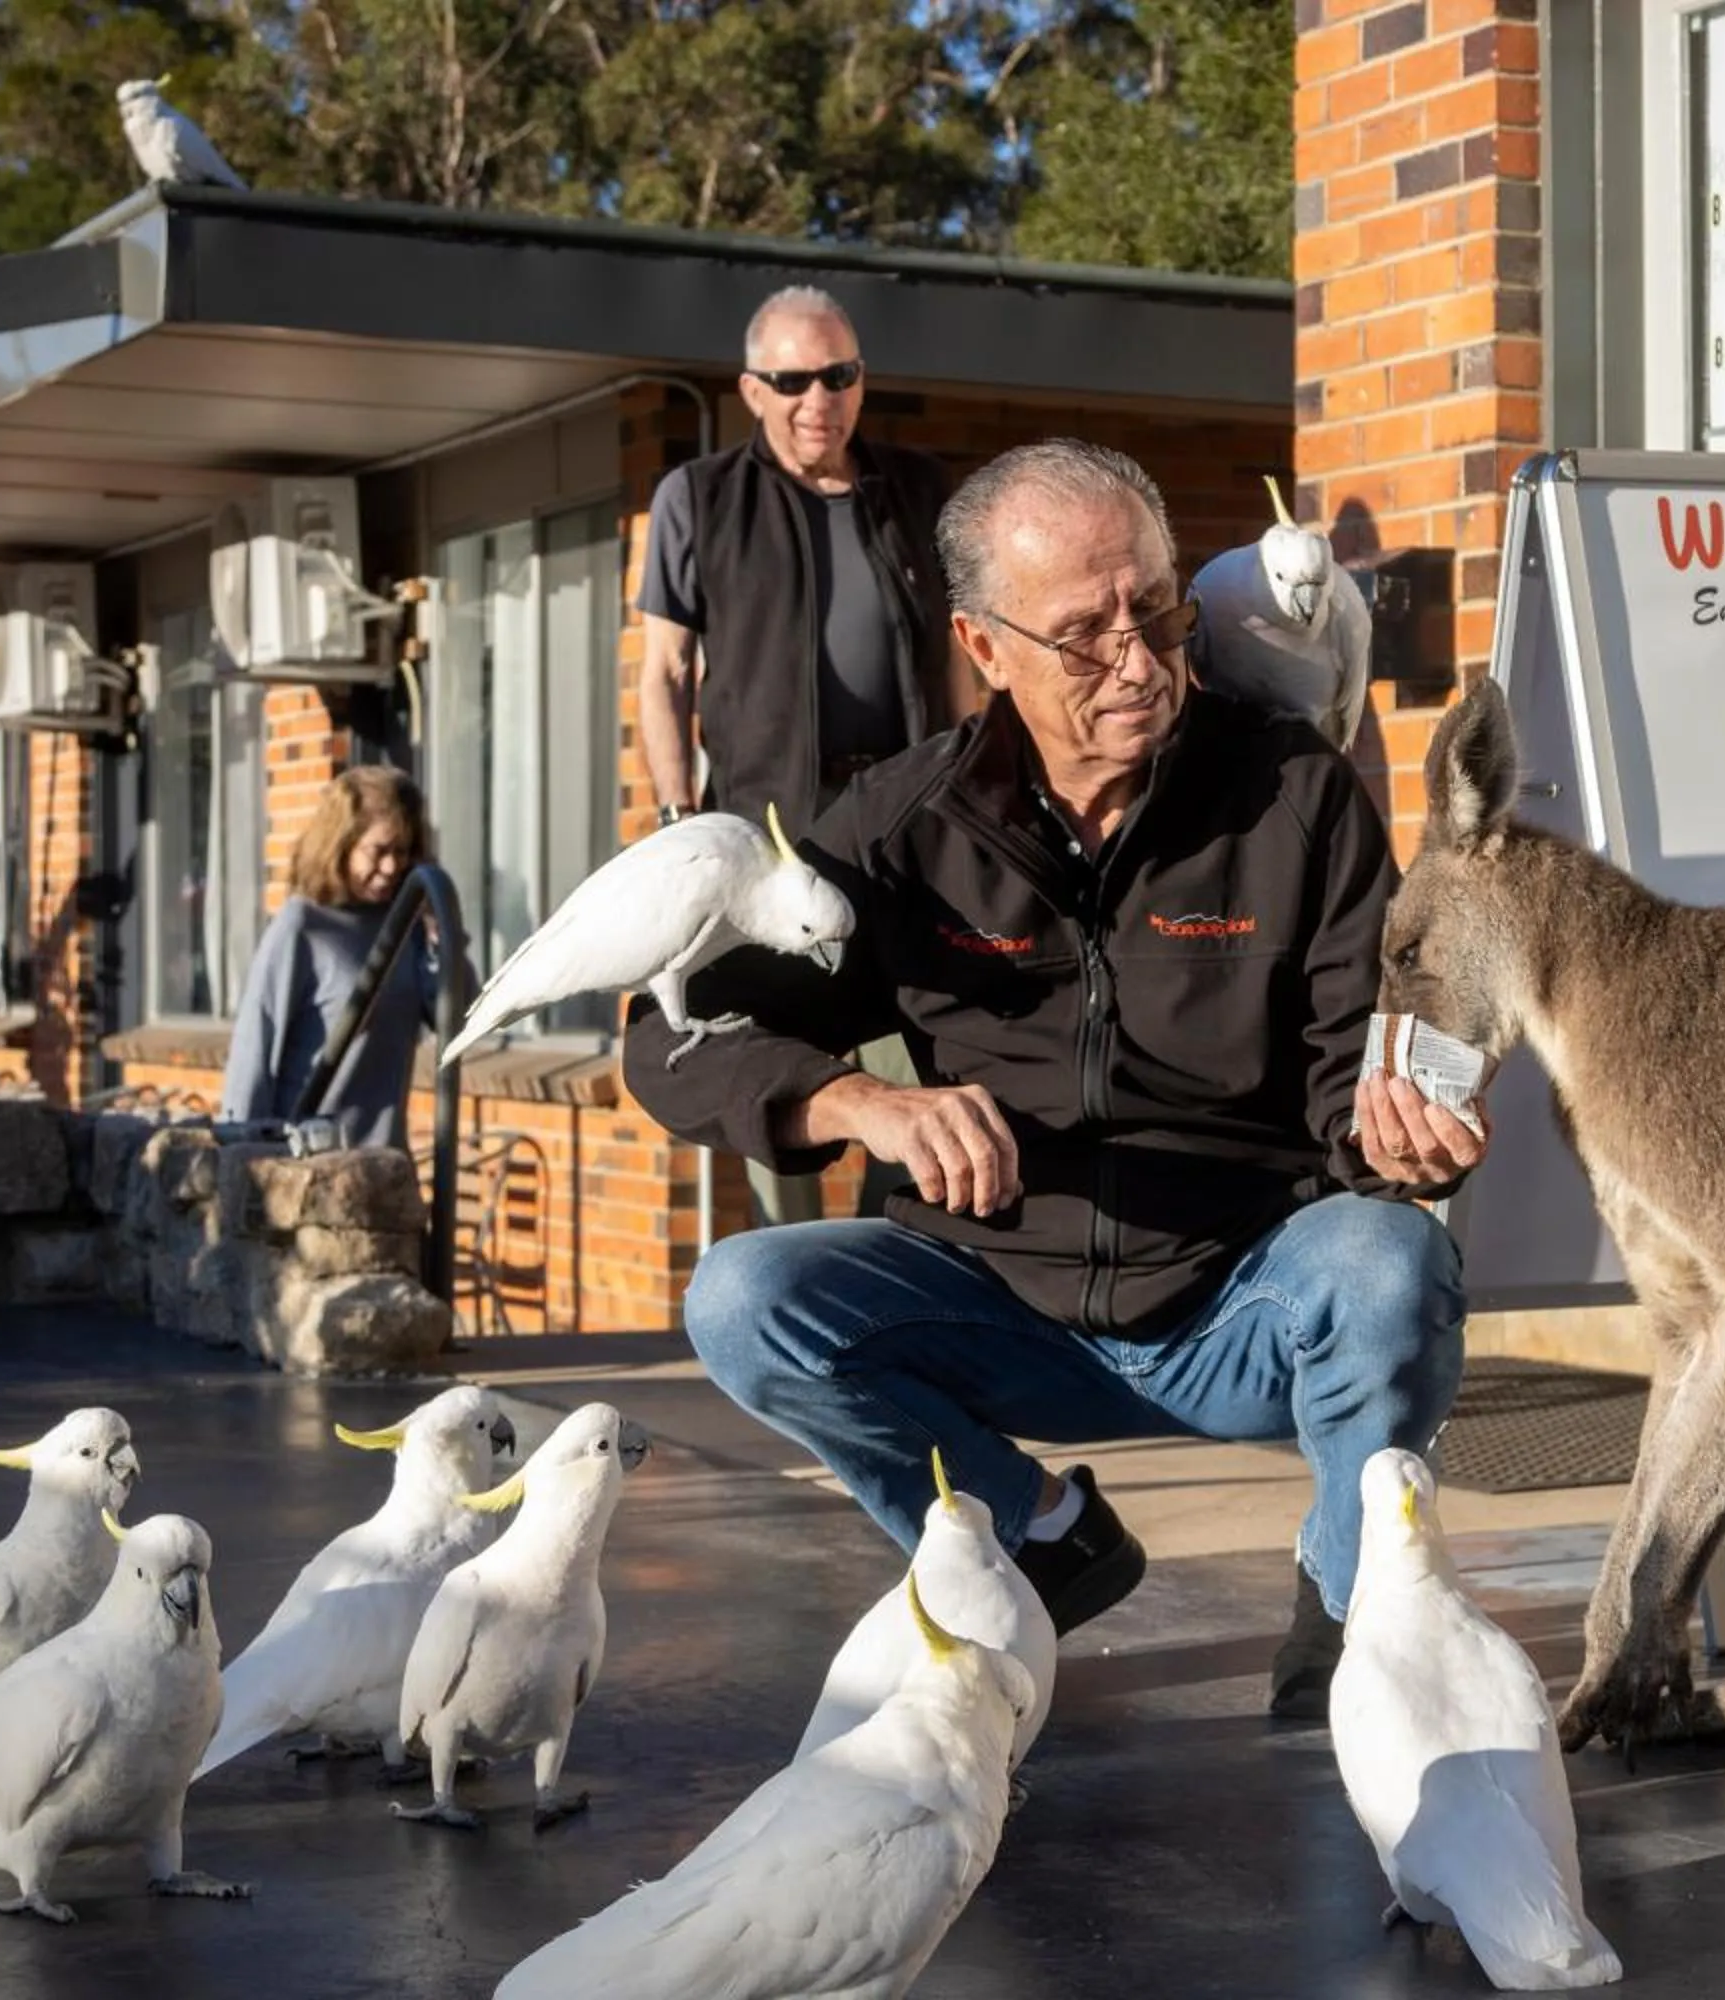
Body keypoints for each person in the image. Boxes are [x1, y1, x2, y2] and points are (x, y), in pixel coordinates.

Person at [623, 440, 1483, 1720]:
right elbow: (670, 1035)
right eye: (1085, 634)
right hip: (992, 1304)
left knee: (1388, 1260)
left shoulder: (1296, 794)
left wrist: (1393, 1132)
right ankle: (1035, 1533)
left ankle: (1356, 1605)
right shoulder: (898, 826)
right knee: (745, 1294)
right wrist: (863, 1102)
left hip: (1240, 1300)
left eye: (1159, 613)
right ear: (985, 645)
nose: (1139, 663)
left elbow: (1351, 1058)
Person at [634, 281, 971, 1225]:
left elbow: (961, 661)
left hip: (908, 836)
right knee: (771, 1071)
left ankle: (892, 1261)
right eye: (791, 381)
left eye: (838, 375)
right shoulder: (700, 499)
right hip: (769, 841)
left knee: (923, 1064)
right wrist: (679, 819)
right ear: (752, 389)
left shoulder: (920, 491)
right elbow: (664, 671)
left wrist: (977, 790)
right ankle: (791, 1268)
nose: (817, 399)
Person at [221, 765, 441, 1150]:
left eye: (402, 852)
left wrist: (439, 932)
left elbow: (455, 1016)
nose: (391, 867)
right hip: (310, 1162)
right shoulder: (303, 925)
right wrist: (241, 1157)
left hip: (383, 1160)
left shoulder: (405, 924)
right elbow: (255, 1047)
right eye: (378, 851)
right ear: (341, 845)